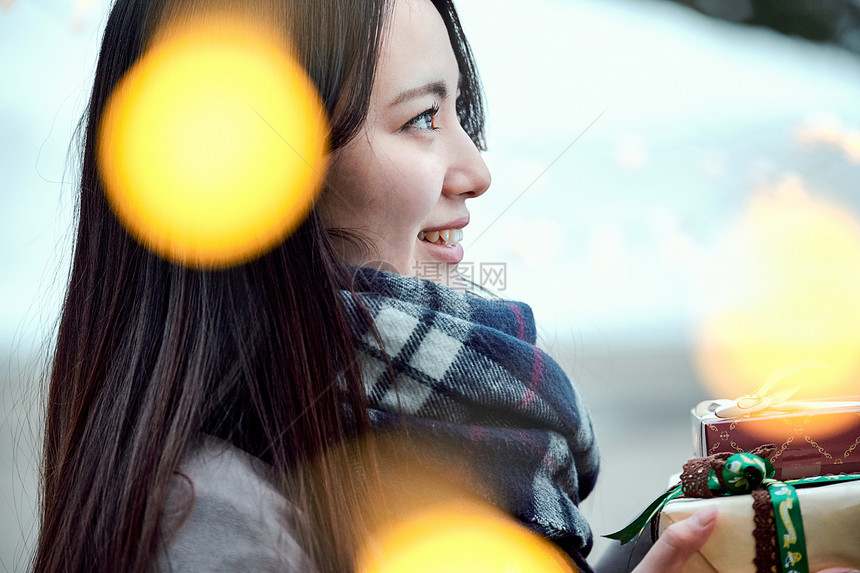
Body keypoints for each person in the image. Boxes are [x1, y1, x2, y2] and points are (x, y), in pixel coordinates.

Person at [33, 0, 720, 571]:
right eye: (421, 118)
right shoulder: (208, 523)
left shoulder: (436, 447)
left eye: (459, 113)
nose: (476, 168)